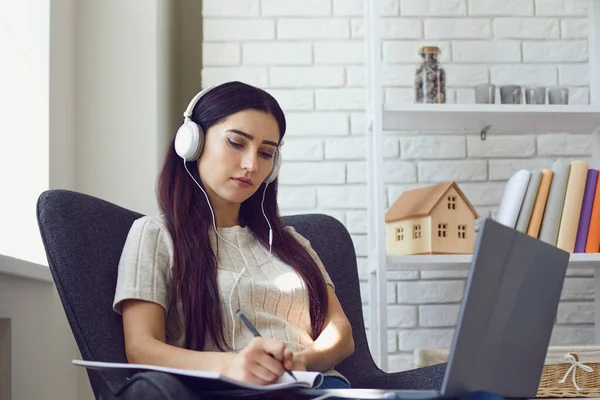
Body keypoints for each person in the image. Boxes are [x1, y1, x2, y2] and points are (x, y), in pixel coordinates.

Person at [112, 81, 355, 390]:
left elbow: (341, 333)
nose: (252, 165)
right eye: (236, 143)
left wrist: (302, 361)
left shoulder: (292, 243)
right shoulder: (156, 235)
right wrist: (231, 365)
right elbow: (142, 348)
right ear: (193, 142)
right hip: (222, 388)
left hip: (312, 386)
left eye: (266, 153)